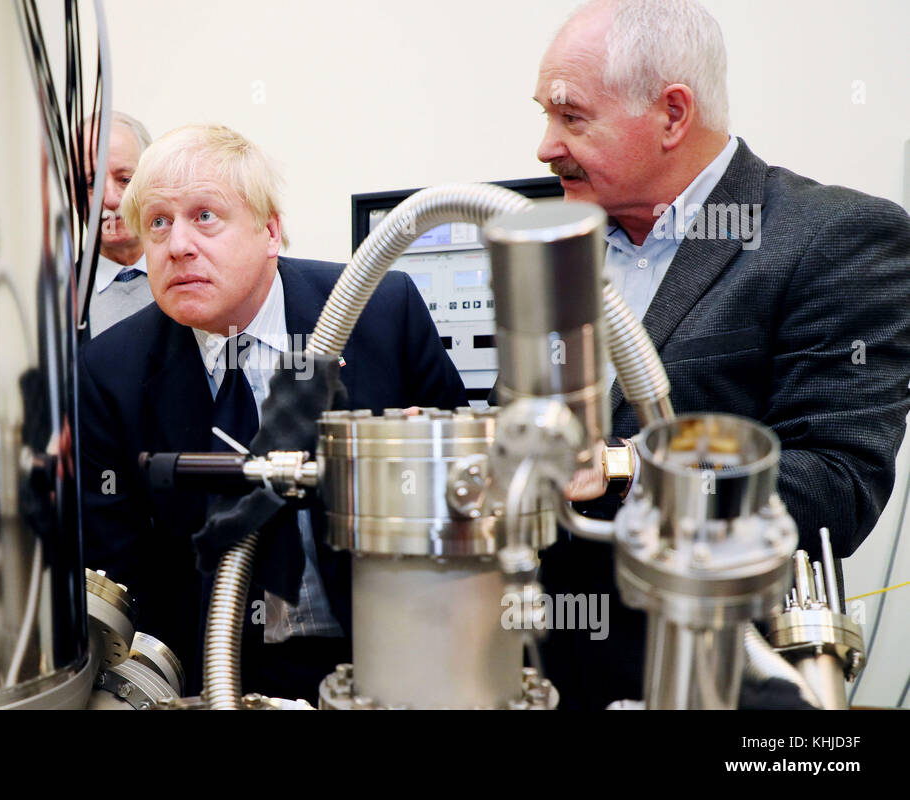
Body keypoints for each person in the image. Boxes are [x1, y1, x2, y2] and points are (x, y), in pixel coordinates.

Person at [520, 0, 910, 709]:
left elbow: (833, 486)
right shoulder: (560, 245)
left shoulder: (834, 239)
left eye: (571, 117)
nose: (545, 146)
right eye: (545, 116)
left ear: (673, 115)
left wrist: (628, 466)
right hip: (540, 676)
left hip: (710, 681)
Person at [79, 124, 468, 700]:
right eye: (158, 223)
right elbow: (122, 569)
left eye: (205, 216)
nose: (178, 244)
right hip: (216, 671)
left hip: (388, 657)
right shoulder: (109, 370)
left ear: (270, 231)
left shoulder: (382, 313)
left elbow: (471, 493)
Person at [85, 112, 156, 338]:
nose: (110, 199)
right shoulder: (54, 300)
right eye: (90, 183)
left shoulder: (193, 273)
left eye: (125, 179)